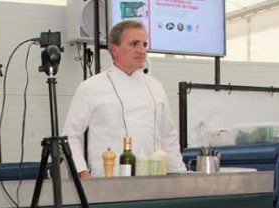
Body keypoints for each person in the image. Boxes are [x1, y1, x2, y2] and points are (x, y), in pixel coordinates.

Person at [62, 20, 186, 178]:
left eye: (144, 44)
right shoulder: (91, 87)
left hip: (154, 181)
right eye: (134, 44)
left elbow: (168, 136)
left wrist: (179, 175)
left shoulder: (156, 87)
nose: (141, 50)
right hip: (107, 183)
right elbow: (70, 136)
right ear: (114, 50)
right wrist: (82, 173)